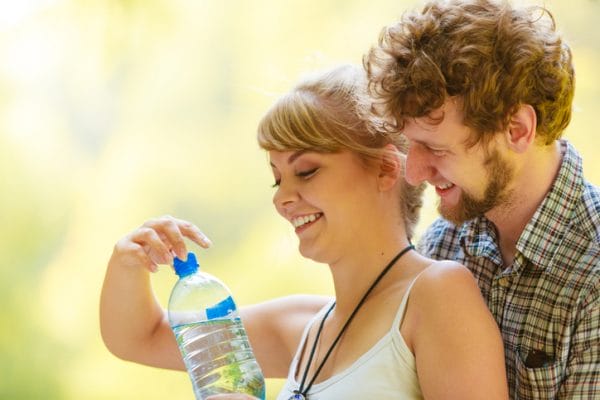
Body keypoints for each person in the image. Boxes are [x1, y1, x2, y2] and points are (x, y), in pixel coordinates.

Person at [100, 64, 509, 399]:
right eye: (277, 180)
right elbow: (140, 337)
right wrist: (129, 260)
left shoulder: (436, 295)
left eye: (306, 171)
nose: (282, 199)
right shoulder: (306, 327)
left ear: (386, 169)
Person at [364, 0, 600, 398]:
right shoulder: (445, 243)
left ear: (518, 129)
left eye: (435, 149)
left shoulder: (592, 278)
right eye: (410, 145)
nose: (414, 172)